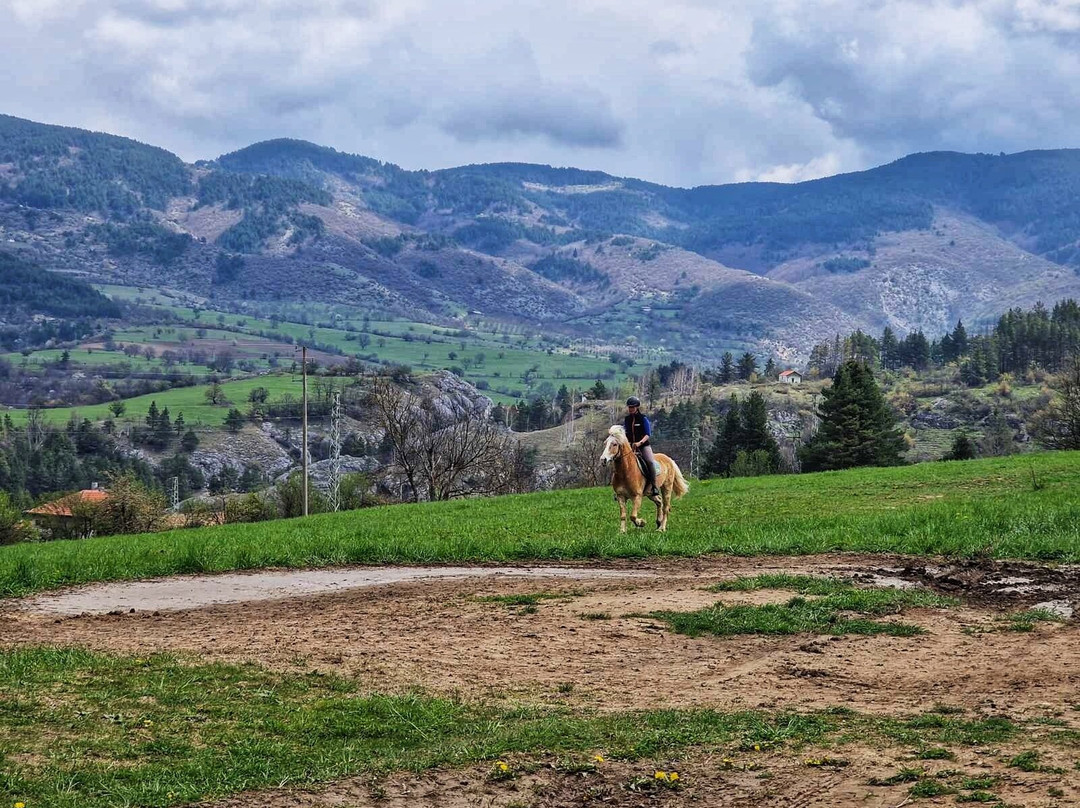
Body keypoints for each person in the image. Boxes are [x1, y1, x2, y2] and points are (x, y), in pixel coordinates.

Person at [623, 396, 660, 497]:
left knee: (650, 462)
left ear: (637, 407)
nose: (630, 409)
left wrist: (639, 443)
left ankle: (654, 486)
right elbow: (624, 432)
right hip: (630, 446)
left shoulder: (643, 419)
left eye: (632, 407)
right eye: (629, 407)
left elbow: (647, 434)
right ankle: (621, 488)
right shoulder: (627, 420)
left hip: (643, 445)